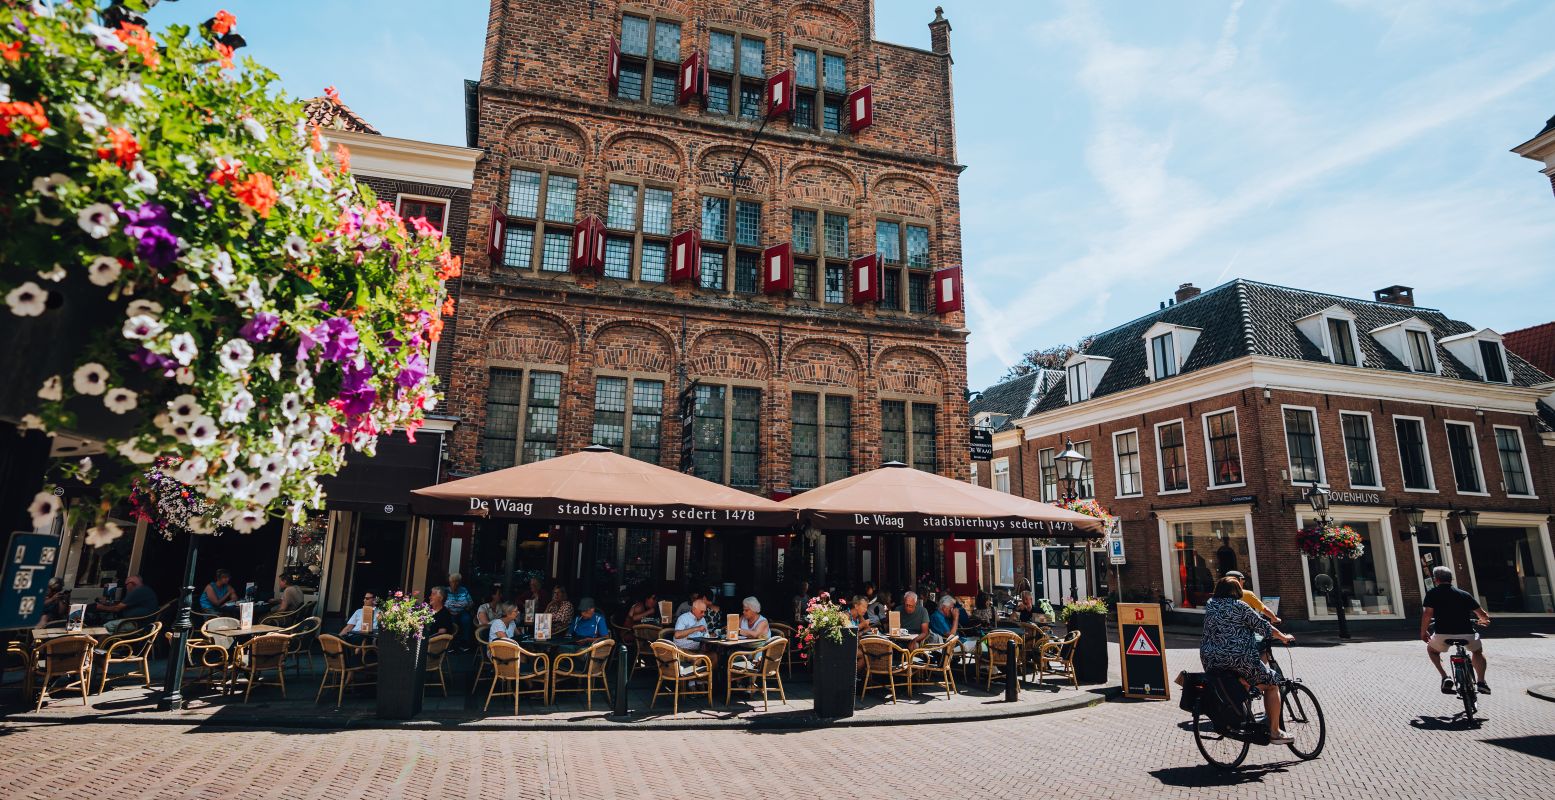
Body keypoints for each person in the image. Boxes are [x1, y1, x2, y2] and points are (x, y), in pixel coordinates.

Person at [1200, 577, 1295, 745]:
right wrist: (1283, 637)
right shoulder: (1240, 606)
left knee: (1239, 681)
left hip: (1211, 659)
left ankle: (1239, 709)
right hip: (1238, 658)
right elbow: (1263, 626)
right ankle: (1275, 731)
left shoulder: (1210, 606)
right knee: (1272, 683)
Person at [1420, 564, 1491, 695]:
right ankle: (1481, 681)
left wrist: (1423, 632)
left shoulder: (1432, 594)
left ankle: (1445, 677)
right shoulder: (1464, 594)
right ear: (1451, 579)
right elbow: (1482, 614)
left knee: (1432, 650)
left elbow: (1427, 614)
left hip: (1443, 634)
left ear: (1436, 580)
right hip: (1467, 634)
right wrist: (1484, 620)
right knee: (1477, 652)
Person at [445, 573, 473, 644]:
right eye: (453, 581)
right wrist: (449, 611)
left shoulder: (464, 590)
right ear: (450, 582)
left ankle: (465, 642)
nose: (455, 583)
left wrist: (467, 608)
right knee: (451, 620)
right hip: (449, 612)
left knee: (467, 619)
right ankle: (451, 642)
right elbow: (442, 604)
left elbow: (470, 602)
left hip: (462, 612)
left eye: (457, 581)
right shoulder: (446, 591)